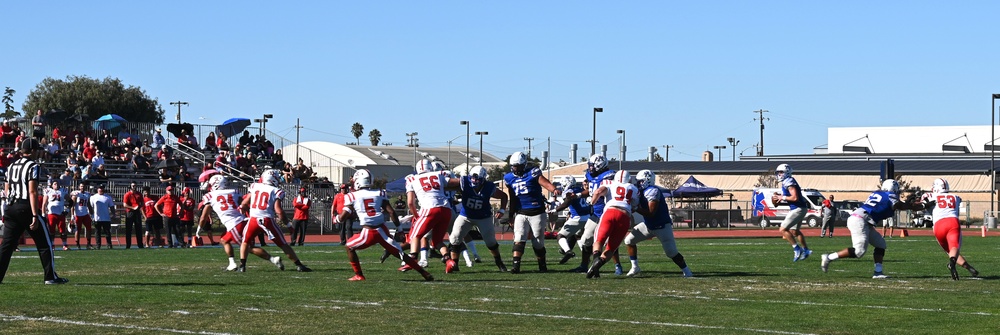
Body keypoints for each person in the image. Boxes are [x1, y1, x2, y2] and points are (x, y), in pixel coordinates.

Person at [340, 169, 434, 281]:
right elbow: (391, 212)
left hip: (368, 231)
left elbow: (343, 217)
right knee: (400, 253)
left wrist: (336, 218)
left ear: (358, 181)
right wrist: (399, 230)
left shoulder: (351, 196)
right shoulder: (379, 192)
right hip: (382, 230)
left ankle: (359, 275)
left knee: (349, 247)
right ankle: (424, 273)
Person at [820, 179, 922, 279]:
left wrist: (908, 204)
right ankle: (828, 257)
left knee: (880, 244)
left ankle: (878, 272)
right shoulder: (890, 195)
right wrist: (913, 205)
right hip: (860, 220)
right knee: (859, 252)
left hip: (862, 219)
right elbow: (898, 205)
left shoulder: (878, 193)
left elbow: (893, 204)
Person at [0, 138, 68, 284]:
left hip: (11, 207)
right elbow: (32, 191)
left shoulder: (12, 166)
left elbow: (7, 189)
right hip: (25, 206)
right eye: (37, 150)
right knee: (45, 243)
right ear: (32, 151)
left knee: (6, 245)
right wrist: (35, 215)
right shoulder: (32, 166)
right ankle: (50, 276)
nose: (38, 152)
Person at [200, 175, 284, 271]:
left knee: (248, 248)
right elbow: (244, 204)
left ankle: (273, 259)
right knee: (224, 240)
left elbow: (203, 216)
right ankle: (232, 264)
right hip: (243, 221)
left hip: (234, 225)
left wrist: (199, 230)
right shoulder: (234, 191)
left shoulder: (210, 196)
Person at [238, 169, 312, 272]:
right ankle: (299, 265)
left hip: (253, 220)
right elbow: (279, 211)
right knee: (283, 244)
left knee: (245, 242)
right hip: (267, 220)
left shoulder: (255, 186)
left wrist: (241, 209)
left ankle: (242, 266)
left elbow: (245, 203)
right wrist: (289, 225)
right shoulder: (276, 191)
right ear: (274, 179)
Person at [623, 170, 693, 278]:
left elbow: (651, 212)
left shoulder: (653, 191)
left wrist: (636, 208)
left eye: (640, 181)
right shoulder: (640, 192)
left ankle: (687, 271)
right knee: (629, 240)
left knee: (671, 252)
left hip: (662, 226)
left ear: (647, 180)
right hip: (648, 225)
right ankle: (635, 267)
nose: (638, 184)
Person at [503, 152, 561, 274]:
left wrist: (554, 189)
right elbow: (512, 197)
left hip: (537, 212)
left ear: (524, 165)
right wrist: (510, 215)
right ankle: (515, 267)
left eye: (517, 166)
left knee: (538, 242)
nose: (515, 168)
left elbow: (545, 183)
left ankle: (542, 266)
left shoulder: (533, 172)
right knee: (519, 238)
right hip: (521, 212)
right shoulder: (509, 178)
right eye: (513, 166)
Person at [447, 166, 509, 272]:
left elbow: (504, 196)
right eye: (473, 178)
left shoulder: (489, 187)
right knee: (455, 238)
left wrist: (502, 210)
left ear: (483, 179)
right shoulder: (464, 181)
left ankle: (499, 262)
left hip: (483, 217)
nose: (474, 181)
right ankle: (454, 264)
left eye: (477, 179)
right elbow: (444, 184)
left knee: (490, 242)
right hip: (466, 216)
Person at [403, 159, 460, 273]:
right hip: (446, 210)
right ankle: (449, 261)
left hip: (429, 208)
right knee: (437, 241)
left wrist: (416, 216)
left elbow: (410, 203)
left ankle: (412, 260)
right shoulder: (438, 174)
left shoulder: (412, 179)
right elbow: (456, 182)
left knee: (414, 235)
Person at [921, 178, 979, 280]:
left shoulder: (930, 196)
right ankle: (952, 264)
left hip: (938, 226)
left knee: (950, 251)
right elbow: (956, 201)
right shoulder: (955, 197)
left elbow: (922, 204)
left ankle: (968, 267)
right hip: (952, 223)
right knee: (954, 248)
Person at [585, 170, 639, 279]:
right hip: (624, 216)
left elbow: (597, 192)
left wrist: (592, 203)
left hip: (610, 212)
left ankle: (595, 261)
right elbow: (635, 205)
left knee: (599, 240)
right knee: (611, 247)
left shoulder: (609, 183)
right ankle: (599, 262)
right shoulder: (633, 188)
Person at [574, 154, 621, 274]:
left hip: (607, 212)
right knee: (586, 240)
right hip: (596, 213)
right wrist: (579, 195)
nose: (590, 168)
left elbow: (603, 191)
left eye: (592, 166)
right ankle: (585, 265)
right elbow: (590, 190)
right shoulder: (590, 176)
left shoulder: (610, 175)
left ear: (600, 165)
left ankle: (617, 266)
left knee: (607, 242)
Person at [770, 164, 812, 262]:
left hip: (798, 209)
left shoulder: (789, 182)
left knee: (783, 229)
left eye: (781, 172)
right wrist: (780, 198)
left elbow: (795, 197)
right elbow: (791, 198)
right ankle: (806, 250)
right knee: (795, 231)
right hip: (799, 208)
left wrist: (782, 197)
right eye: (778, 172)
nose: (779, 174)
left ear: (786, 172)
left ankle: (797, 249)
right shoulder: (787, 181)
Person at [552, 175, 590, 265]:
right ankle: (586, 260)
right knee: (579, 237)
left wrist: (555, 210)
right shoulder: (580, 189)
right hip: (588, 217)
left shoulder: (569, 191)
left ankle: (568, 251)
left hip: (577, 218)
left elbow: (566, 203)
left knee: (560, 236)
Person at [42, 181, 70, 251]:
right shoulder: (48, 191)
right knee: (51, 231)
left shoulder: (63, 191)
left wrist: (67, 210)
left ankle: (64, 244)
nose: (56, 185)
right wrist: (43, 213)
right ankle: (52, 245)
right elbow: (44, 203)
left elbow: (71, 201)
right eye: (54, 184)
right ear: (52, 185)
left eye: (57, 183)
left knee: (63, 231)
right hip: (51, 214)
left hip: (61, 214)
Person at [89, 184, 116, 249]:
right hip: (97, 218)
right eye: (99, 188)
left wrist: (113, 214)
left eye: (102, 188)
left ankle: (109, 244)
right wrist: (91, 215)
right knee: (97, 232)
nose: (101, 189)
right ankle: (98, 245)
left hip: (106, 217)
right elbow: (90, 207)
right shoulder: (93, 197)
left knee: (107, 232)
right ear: (97, 189)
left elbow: (111, 206)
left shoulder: (108, 197)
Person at [122, 182, 145, 248]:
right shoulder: (127, 194)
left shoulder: (139, 194)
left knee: (139, 229)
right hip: (130, 212)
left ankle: (140, 244)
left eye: (135, 185)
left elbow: (142, 203)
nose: (134, 187)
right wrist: (133, 207)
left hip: (137, 212)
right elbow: (125, 204)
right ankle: (128, 245)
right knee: (128, 229)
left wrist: (139, 206)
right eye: (133, 186)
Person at [70, 182, 94, 249]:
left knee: (89, 228)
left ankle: (88, 244)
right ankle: (77, 244)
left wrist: (92, 214)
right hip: (78, 214)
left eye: (83, 186)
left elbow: (88, 205)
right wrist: (72, 215)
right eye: (81, 186)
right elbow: (72, 205)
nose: (82, 187)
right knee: (78, 230)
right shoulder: (76, 194)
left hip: (85, 214)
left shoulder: (87, 194)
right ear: (79, 187)